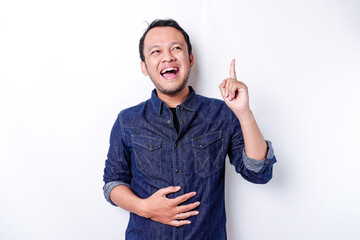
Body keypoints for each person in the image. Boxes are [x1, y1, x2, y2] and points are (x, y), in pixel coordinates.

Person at [103, 19, 276, 240]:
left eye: (176, 48)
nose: (168, 57)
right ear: (144, 67)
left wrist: (244, 113)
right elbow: (112, 183)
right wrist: (144, 207)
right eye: (156, 51)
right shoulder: (127, 121)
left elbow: (258, 173)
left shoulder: (221, 114)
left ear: (190, 59)